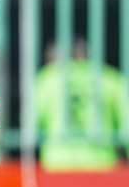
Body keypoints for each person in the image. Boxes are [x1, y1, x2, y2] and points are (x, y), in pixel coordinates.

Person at [35, 39, 127, 170]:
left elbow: (30, 127)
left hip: (57, 166)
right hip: (102, 166)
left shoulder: (47, 78)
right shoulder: (110, 78)